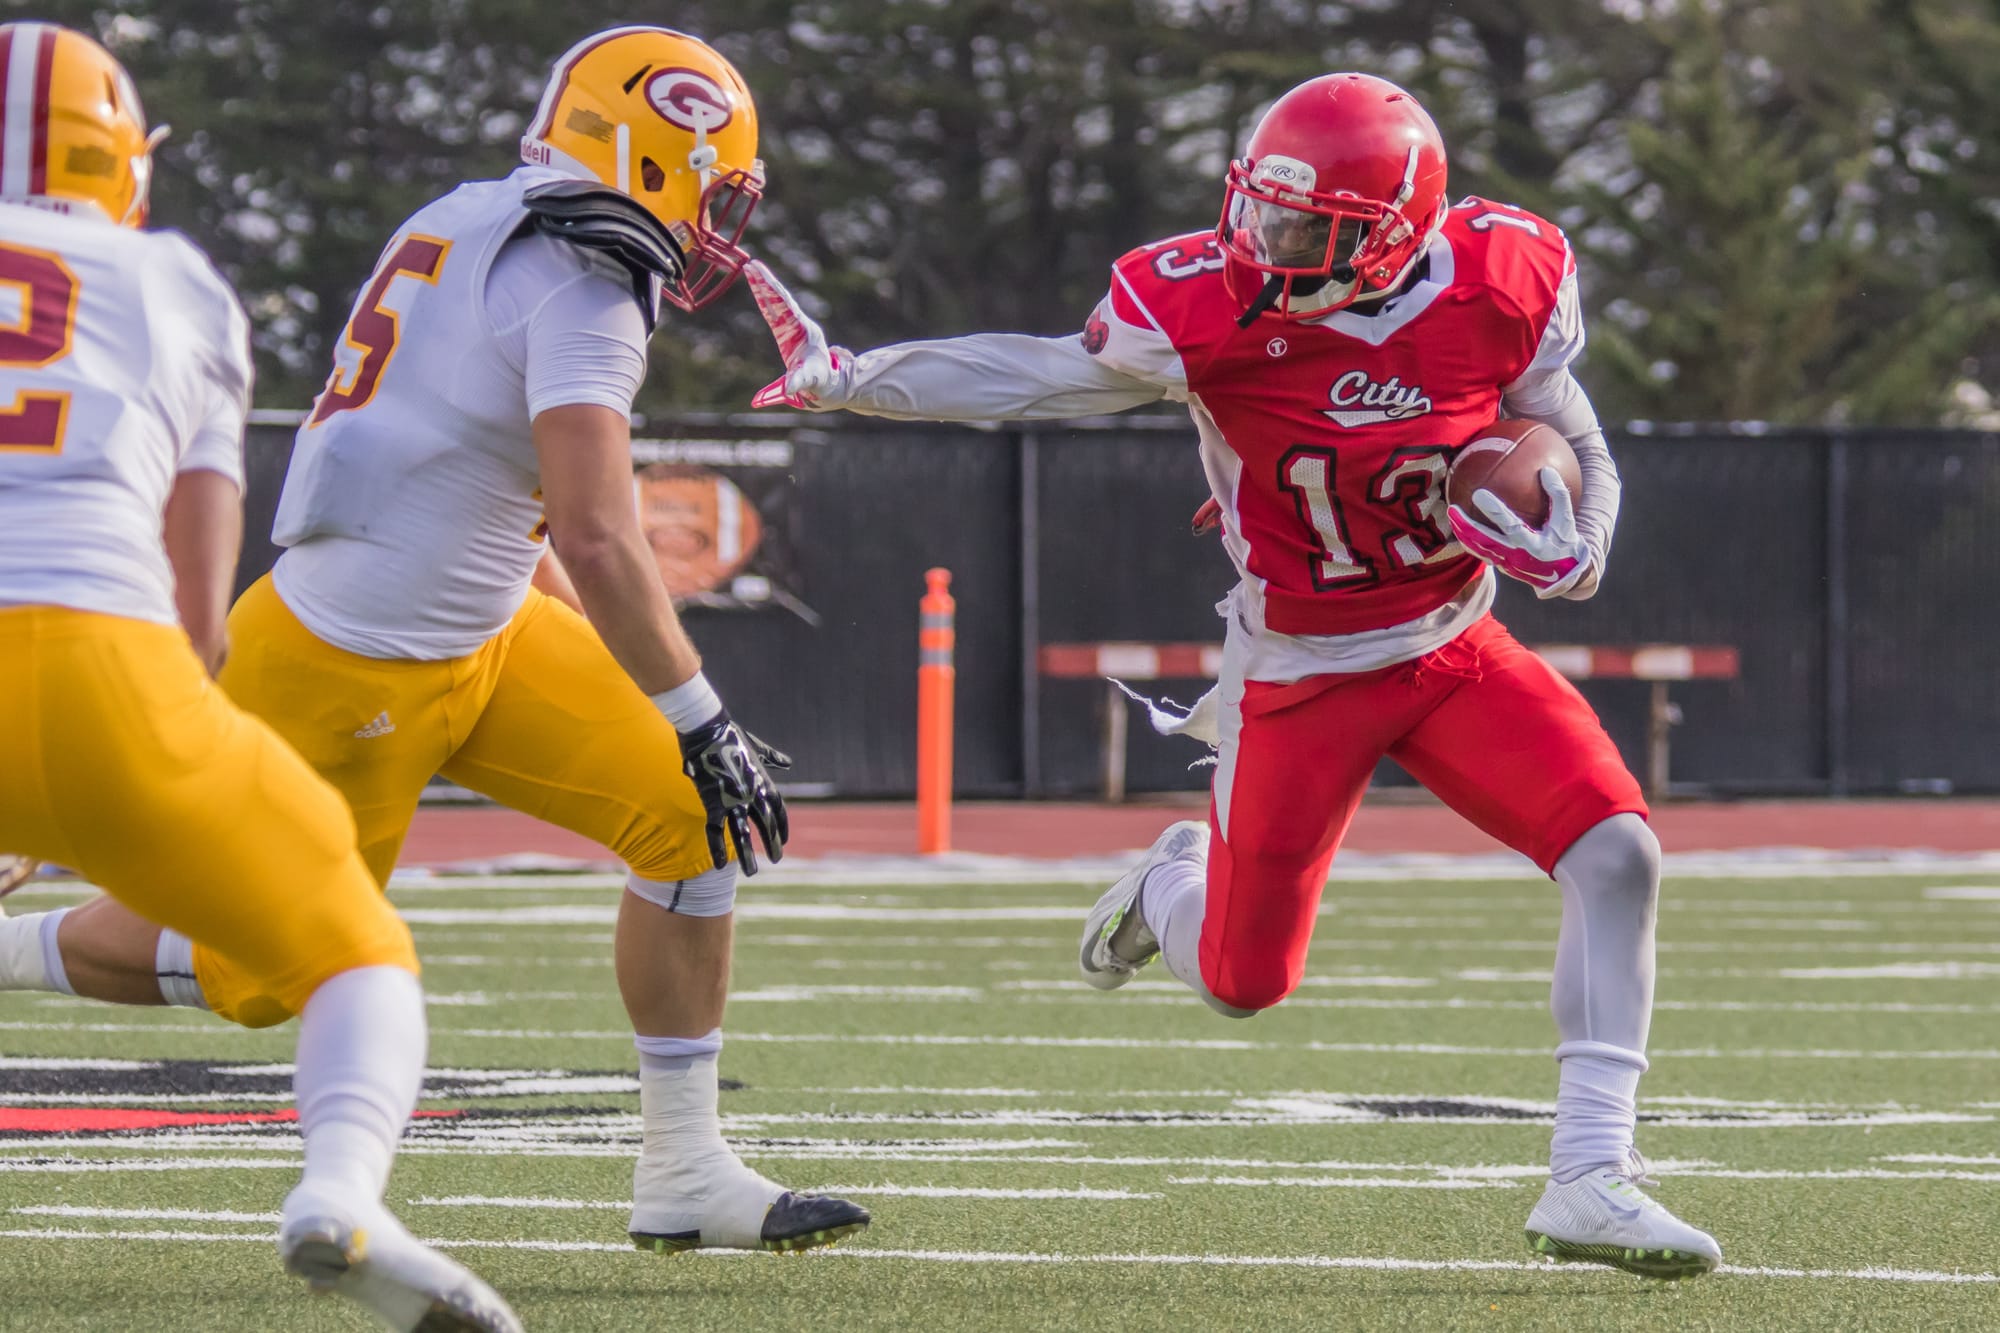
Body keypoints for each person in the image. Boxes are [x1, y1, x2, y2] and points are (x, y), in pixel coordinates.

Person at [744, 72, 1721, 1278]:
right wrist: (853, 376)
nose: (1269, 246)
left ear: (1400, 227)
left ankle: (1589, 1174)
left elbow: (1560, 419)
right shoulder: (1202, 304)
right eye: (1262, 214)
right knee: (1242, 984)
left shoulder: (1502, 274)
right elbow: (1039, 375)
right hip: (1297, 665)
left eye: (1308, 231)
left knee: (1617, 850)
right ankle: (1167, 887)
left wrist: (1583, 552)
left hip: (1449, 642)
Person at [0, 24, 867, 1256]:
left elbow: (489, 495)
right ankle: (10, 951)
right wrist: (699, 711)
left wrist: (659, 709)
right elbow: (607, 531)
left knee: (690, 814)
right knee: (262, 976)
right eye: (715, 185)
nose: (717, 224)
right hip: (343, 661)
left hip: (485, 626)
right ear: (653, 154)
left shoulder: (473, 214)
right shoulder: (583, 281)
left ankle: (683, 1167)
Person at [0, 22, 519, 1330]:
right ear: (120, 158)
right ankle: (339, 1193)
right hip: (99, 655)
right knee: (354, 951)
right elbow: (197, 596)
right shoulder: (168, 280)